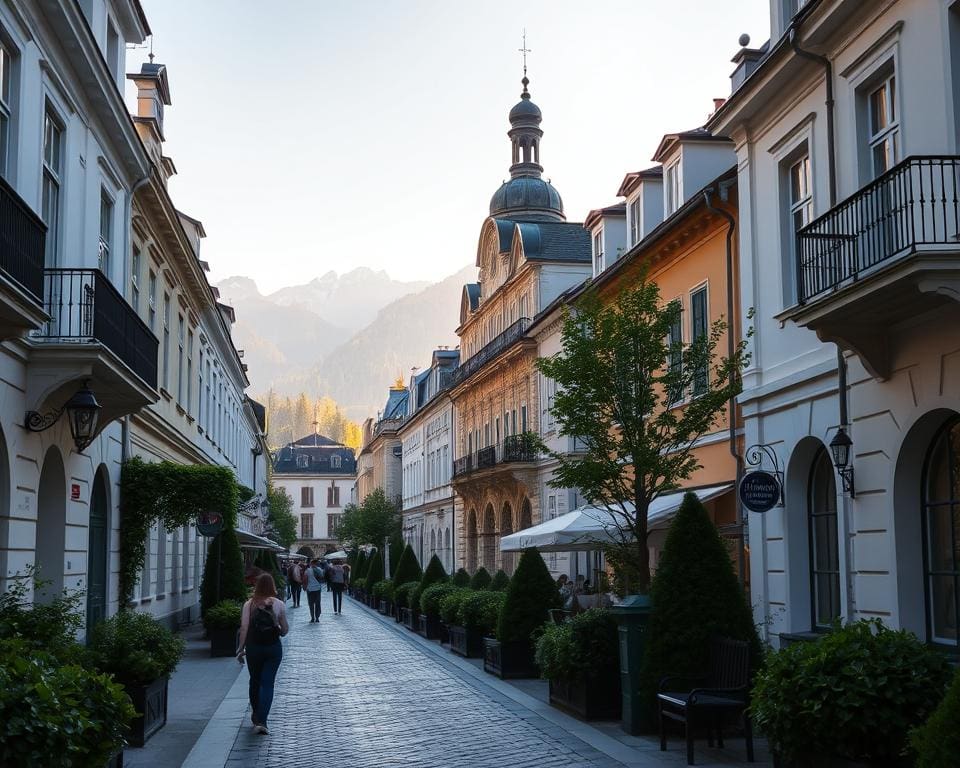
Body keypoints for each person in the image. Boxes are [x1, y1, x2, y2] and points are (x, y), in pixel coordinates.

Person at [236, 573, 288, 736]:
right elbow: (285, 630)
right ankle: (262, 721)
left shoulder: (249, 604)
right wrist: (278, 628)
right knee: (268, 683)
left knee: (255, 680)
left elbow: (244, 628)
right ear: (272, 586)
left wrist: (240, 649)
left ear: (257, 587)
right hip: (273, 647)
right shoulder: (279, 604)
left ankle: (255, 714)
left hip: (254, 647)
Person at [304, 558, 325, 622]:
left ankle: (312, 617)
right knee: (317, 603)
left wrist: (305, 587)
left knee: (311, 604)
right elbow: (322, 577)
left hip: (310, 589)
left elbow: (306, 579)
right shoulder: (320, 570)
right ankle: (317, 617)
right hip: (317, 588)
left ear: (311, 563)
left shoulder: (307, 570)